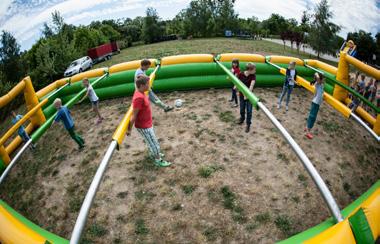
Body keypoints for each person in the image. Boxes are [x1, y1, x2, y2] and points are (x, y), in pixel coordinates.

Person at [128, 75, 171, 167]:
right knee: (154, 143)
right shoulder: (138, 98)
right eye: (148, 84)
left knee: (152, 142)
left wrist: (141, 77)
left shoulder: (142, 91)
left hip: (147, 123)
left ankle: (155, 153)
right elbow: (133, 116)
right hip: (144, 126)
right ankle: (158, 159)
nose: (149, 86)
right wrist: (129, 129)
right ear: (142, 85)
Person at [237, 62, 256, 133]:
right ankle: (242, 119)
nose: (255, 71)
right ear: (249, 70)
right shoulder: (241, 74)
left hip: (249, 96)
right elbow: (238, 82)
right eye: (254, 70)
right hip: (242, 95)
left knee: (249, 111)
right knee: (242, 109)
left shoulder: (253, 76)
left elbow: (251, 86)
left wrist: (247, 95)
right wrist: (236, 87)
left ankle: (248, 124)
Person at [305, 73, 325, 139]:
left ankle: (307, 127)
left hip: (317, 103)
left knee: (312, 116)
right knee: (312, 117)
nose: (324, 80)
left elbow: (317, 93)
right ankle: (308, 132)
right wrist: (319, 77)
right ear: (320, 79)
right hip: (315, 102)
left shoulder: (322, 85)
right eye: (323, 79)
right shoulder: (318, 84)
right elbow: (316, 75)